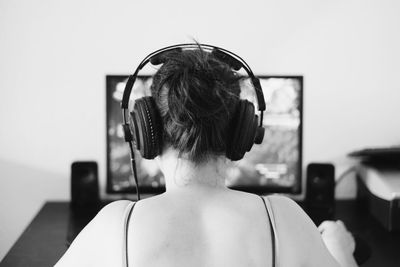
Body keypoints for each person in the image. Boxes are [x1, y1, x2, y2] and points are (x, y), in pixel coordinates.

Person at [55, 47, 358, 267]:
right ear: (242, 133)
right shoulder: (284, 219)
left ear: (147, 134)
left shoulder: (114, 225)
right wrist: (342, 251)